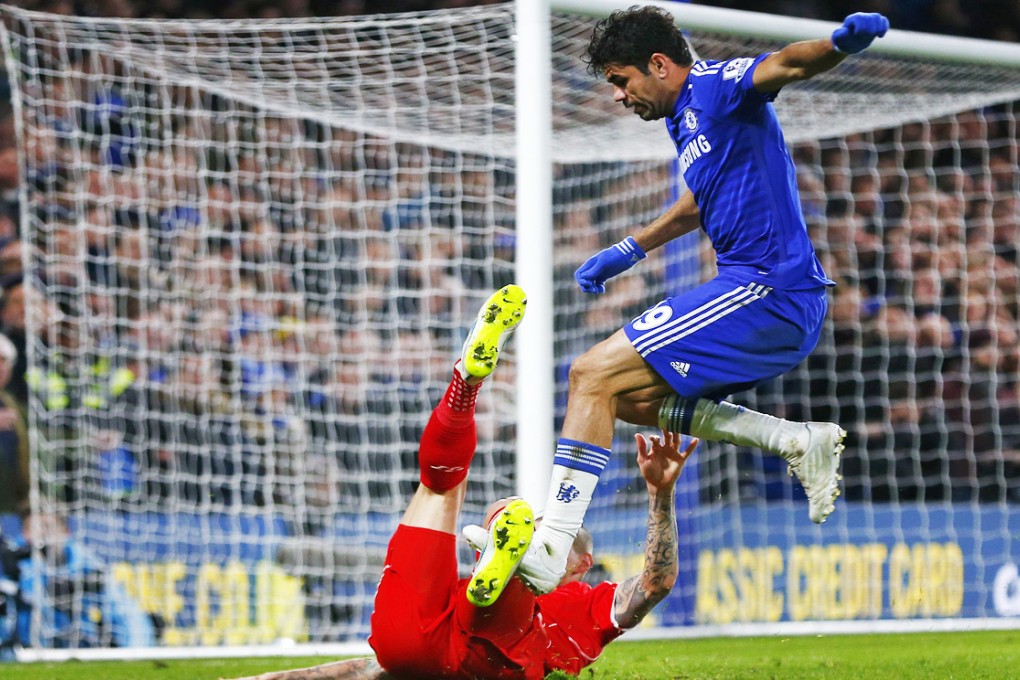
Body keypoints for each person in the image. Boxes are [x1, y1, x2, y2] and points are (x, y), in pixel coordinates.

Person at [517, 7, 890, 593]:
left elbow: (786, 65)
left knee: (588, 373)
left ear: (659, 65)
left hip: (769, 289)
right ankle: (792, 439)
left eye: (621, 80)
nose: (619, 96)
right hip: (761, 296)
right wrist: (630, 248)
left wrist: (840, 45)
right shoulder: (683, 119)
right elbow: (699, 200)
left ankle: (551, 546)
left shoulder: (717, 87)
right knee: (622, 399)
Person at [223, 284, 698, 680]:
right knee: (449, 495)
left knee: (440, 489)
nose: (546, 537)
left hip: (425, 639)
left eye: (555, 539)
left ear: (584, 562)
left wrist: (661, 494)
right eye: (536, 535)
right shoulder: (585, 613)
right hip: (433, 648)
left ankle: (464, 386)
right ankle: (496, 554)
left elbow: (654, 584)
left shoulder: (583, 600)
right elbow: (364, 669)